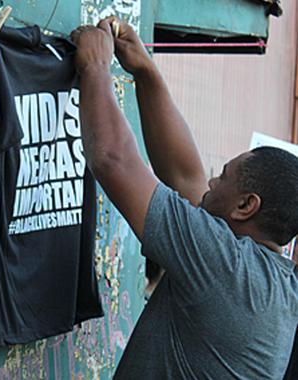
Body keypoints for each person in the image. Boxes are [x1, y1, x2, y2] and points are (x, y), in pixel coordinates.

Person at [70, 18, 298, 379]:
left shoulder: (228, 269)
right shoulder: (270, 280)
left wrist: (95, 66)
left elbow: (113, 160)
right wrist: (145, 71)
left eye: (224, 176)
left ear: (245, 206)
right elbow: (184, 177)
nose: (211, 179)